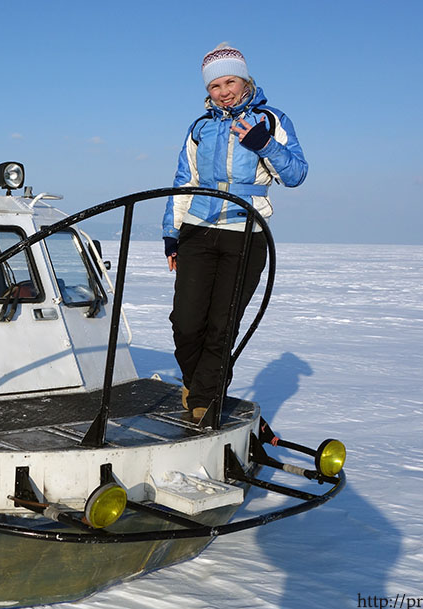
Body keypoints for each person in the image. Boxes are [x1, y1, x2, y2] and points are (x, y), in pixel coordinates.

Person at [162, 43, 307, 427]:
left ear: (245, 80)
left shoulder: (271, 120)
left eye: (231, 81)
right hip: (197, 229)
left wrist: (264, 144)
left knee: (222, 323)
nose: (224, 91)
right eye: (215, 85)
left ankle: (205, 397)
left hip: (245, 232)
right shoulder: (200, 128)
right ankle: (199, 385)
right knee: (186, 322)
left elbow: (295, 174)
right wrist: (171, 235)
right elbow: (184, 182)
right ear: (207, 90)